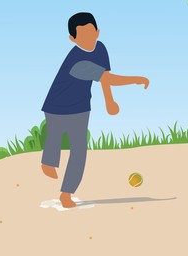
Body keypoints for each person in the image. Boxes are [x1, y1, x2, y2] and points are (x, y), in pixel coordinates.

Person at [41, 12, 149, 208]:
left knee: (79, 151)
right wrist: (135, 79)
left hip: (81, 107)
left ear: (98, 32)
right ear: (72, 39)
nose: (89, 40)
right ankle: (48, 161)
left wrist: (110, 101)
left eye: (92, 34)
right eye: (82, 37)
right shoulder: (77, 61)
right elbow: (109, 79)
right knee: (54, 138)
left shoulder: (100, 48)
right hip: (56, 106)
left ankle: (67, 193)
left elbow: (104, 76)